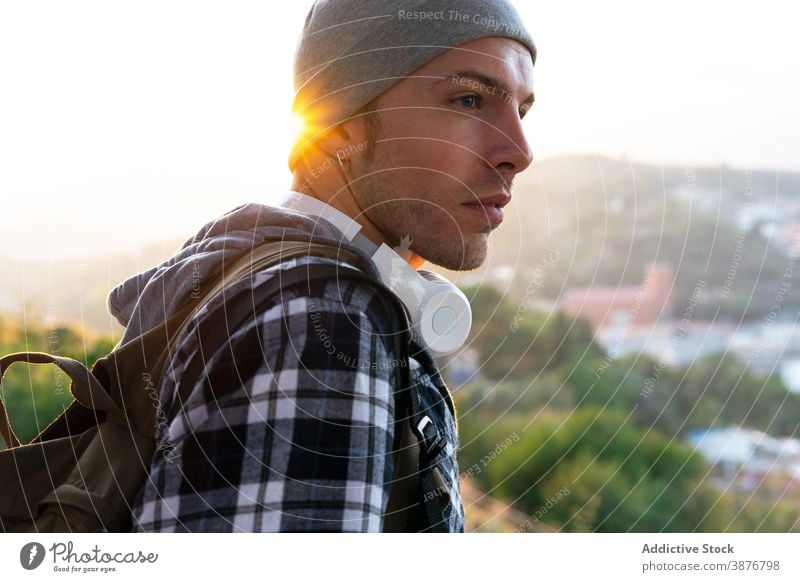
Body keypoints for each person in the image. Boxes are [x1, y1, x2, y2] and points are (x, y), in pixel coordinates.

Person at [113, 0, 535, 532]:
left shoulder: (250, 277)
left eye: (523, 110)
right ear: (338, 123)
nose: (519, 150)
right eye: (469, 99)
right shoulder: (321, 320)